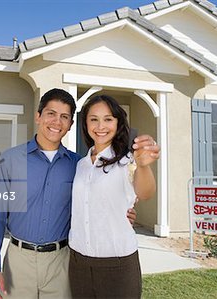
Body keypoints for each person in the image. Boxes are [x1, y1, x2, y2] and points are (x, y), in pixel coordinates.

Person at [0, 89, 140, 299]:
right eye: (51, 114)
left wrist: (123, 212)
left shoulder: (80, 165)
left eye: (64, 117)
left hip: (62, 261)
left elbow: (93, 203)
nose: (57, 122)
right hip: (19, 260)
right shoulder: (10, 160)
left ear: (71, 124)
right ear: (38, 116)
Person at [68, 95, 160, 298]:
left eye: (108, 119)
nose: (100, 126)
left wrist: (144, 165)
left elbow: (145, 193)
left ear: (118, 123)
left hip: (117, 264)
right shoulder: (81, 165)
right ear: (85, 123)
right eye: (94, 119)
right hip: (78, 262)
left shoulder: (128, 159)